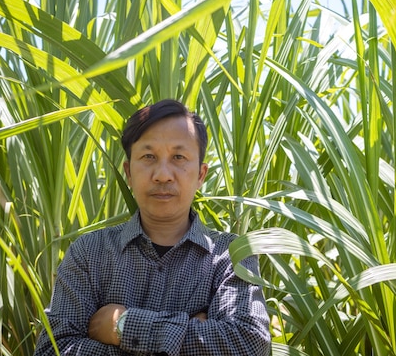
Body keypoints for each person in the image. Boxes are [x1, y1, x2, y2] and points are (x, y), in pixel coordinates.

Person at [34, 99, 271, 355]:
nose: (162, 174)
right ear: (129, 172)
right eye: (148, 156)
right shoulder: (89, 254)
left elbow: (250, 344)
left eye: (179, 157)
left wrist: (122, 327)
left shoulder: (231, 255)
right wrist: (193, 332)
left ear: (201, 174)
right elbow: (53, 349)